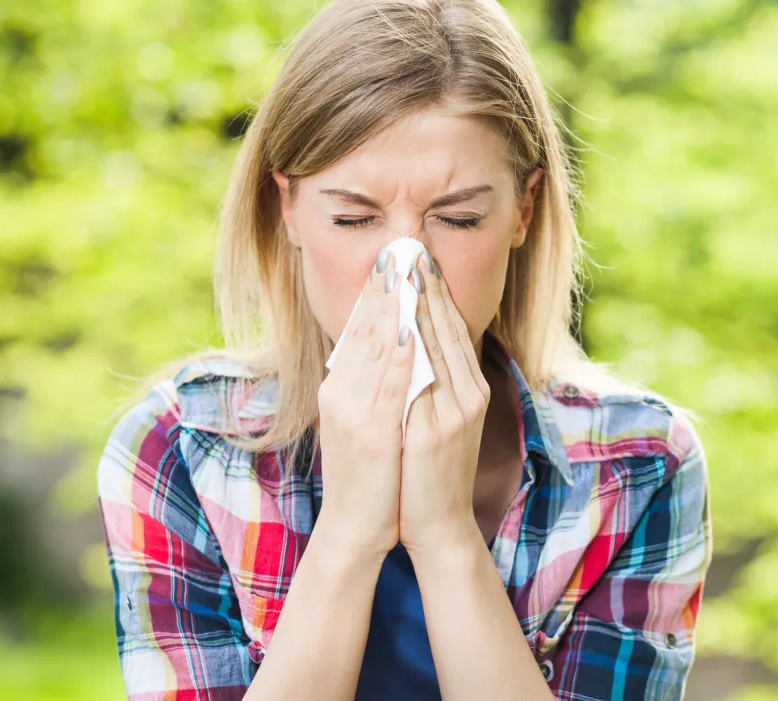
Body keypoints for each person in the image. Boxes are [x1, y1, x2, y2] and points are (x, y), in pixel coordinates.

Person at [96, 0, 712, 698]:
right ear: (289, 209)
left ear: (524, 209)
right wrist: (351, 532)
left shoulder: (639, 463)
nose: (407, 267)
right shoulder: (180, 448)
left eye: (458, 217)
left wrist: (446, 535)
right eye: (354, 216)